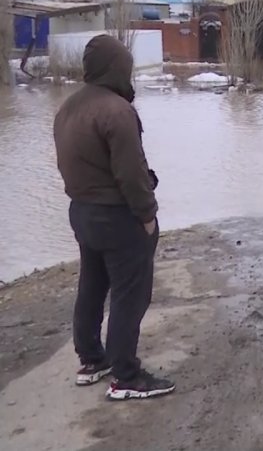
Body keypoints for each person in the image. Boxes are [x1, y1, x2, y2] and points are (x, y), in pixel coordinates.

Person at [53, 34, 175, 400]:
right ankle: (125, 376)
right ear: (117, 68)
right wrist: (147, 215)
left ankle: (92, 358)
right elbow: (131, 172)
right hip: (118, 216)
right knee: (130, 295)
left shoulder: (68, 108)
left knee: (92, 285)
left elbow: (73, 164)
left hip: (82, 212)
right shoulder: (117, 111)